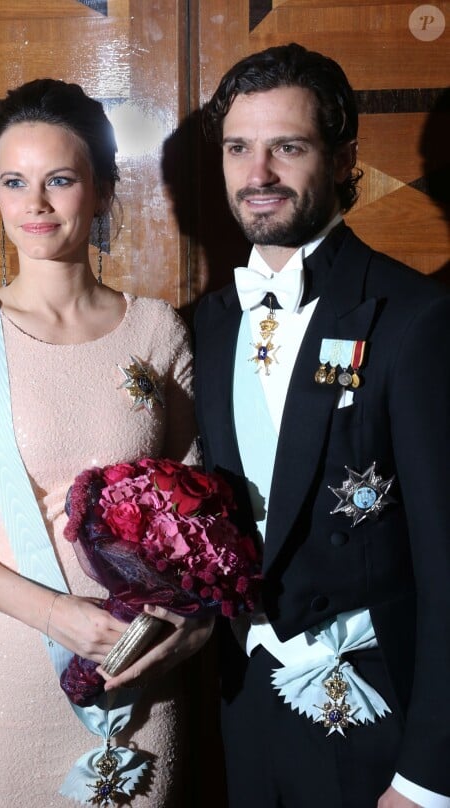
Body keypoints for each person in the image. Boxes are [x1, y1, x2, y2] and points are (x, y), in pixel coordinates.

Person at [0, 78, 213, 808]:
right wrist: (56, 615)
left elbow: (200, 519)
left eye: (59, 180)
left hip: (136, 671)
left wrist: (187, 629)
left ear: (101, 191)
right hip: (2, 674)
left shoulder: (157, 329)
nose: (34, 204)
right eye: (14, 181)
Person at [194, 43, 450, 808]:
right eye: (239, 147)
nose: (258, 173)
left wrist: (430, 777)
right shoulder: (205, 324)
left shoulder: (416, 320)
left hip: (375, 726)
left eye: (288, 147)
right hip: (244, 712)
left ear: (342, 161)